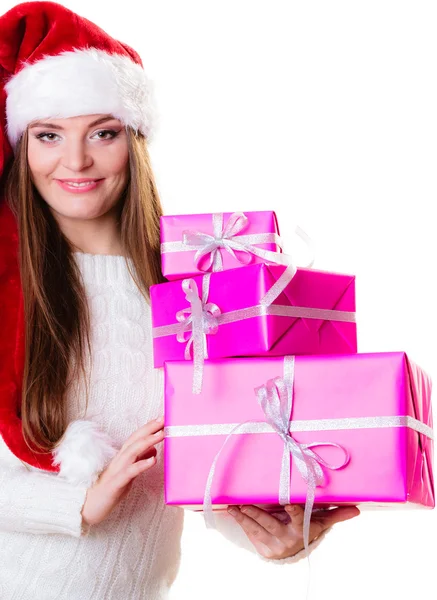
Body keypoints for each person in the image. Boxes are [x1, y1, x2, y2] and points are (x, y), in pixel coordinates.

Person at [0, 2, 360, 599]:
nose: (77, 160)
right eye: (49, 135)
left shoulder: (199, 294)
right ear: (23, 144)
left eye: (103, 132)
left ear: (134, 142)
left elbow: (205, 458)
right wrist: (80, 502)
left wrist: (274, 531)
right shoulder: (13, 292)